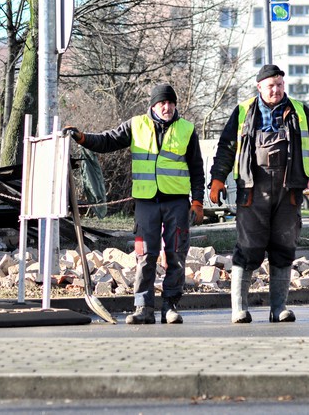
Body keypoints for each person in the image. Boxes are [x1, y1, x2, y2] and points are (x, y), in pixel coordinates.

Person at [65, 84, 205, 324]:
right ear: (153, 105)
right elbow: (108, 141)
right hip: (147, 202)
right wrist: (82, 138)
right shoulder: (136, 125)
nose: (167, 107)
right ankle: (143, 308)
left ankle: (170, 307)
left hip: (177, 203)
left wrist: (198, 201)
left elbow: (197, 169)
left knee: (176, 255)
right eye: (162, 102)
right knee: (145, 255)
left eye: (171, 103)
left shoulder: (187, 130)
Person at [209, 64, 309, 324]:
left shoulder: (299, 112)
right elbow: (226, 148)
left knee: (284, 246)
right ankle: (239, 309)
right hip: (252, 191)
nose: (275, 90)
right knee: (248, 247)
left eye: (279, 85)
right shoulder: (243, 112)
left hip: (288, 192)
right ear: (259, 88)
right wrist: (217, 179)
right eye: (270, 86)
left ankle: (279, 308)